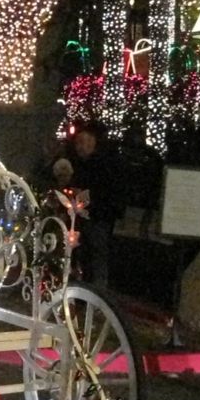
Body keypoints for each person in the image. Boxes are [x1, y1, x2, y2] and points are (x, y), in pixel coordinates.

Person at [55, 122, 123, 288]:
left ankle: (98, 290)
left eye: (84, 142)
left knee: (97, 254)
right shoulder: (78, 164)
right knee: (85, 254)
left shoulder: (102, 164)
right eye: (78, 142)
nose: (81, 147)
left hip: (98, 216)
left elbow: (106, 191)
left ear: (93, 142)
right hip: (83, 217)